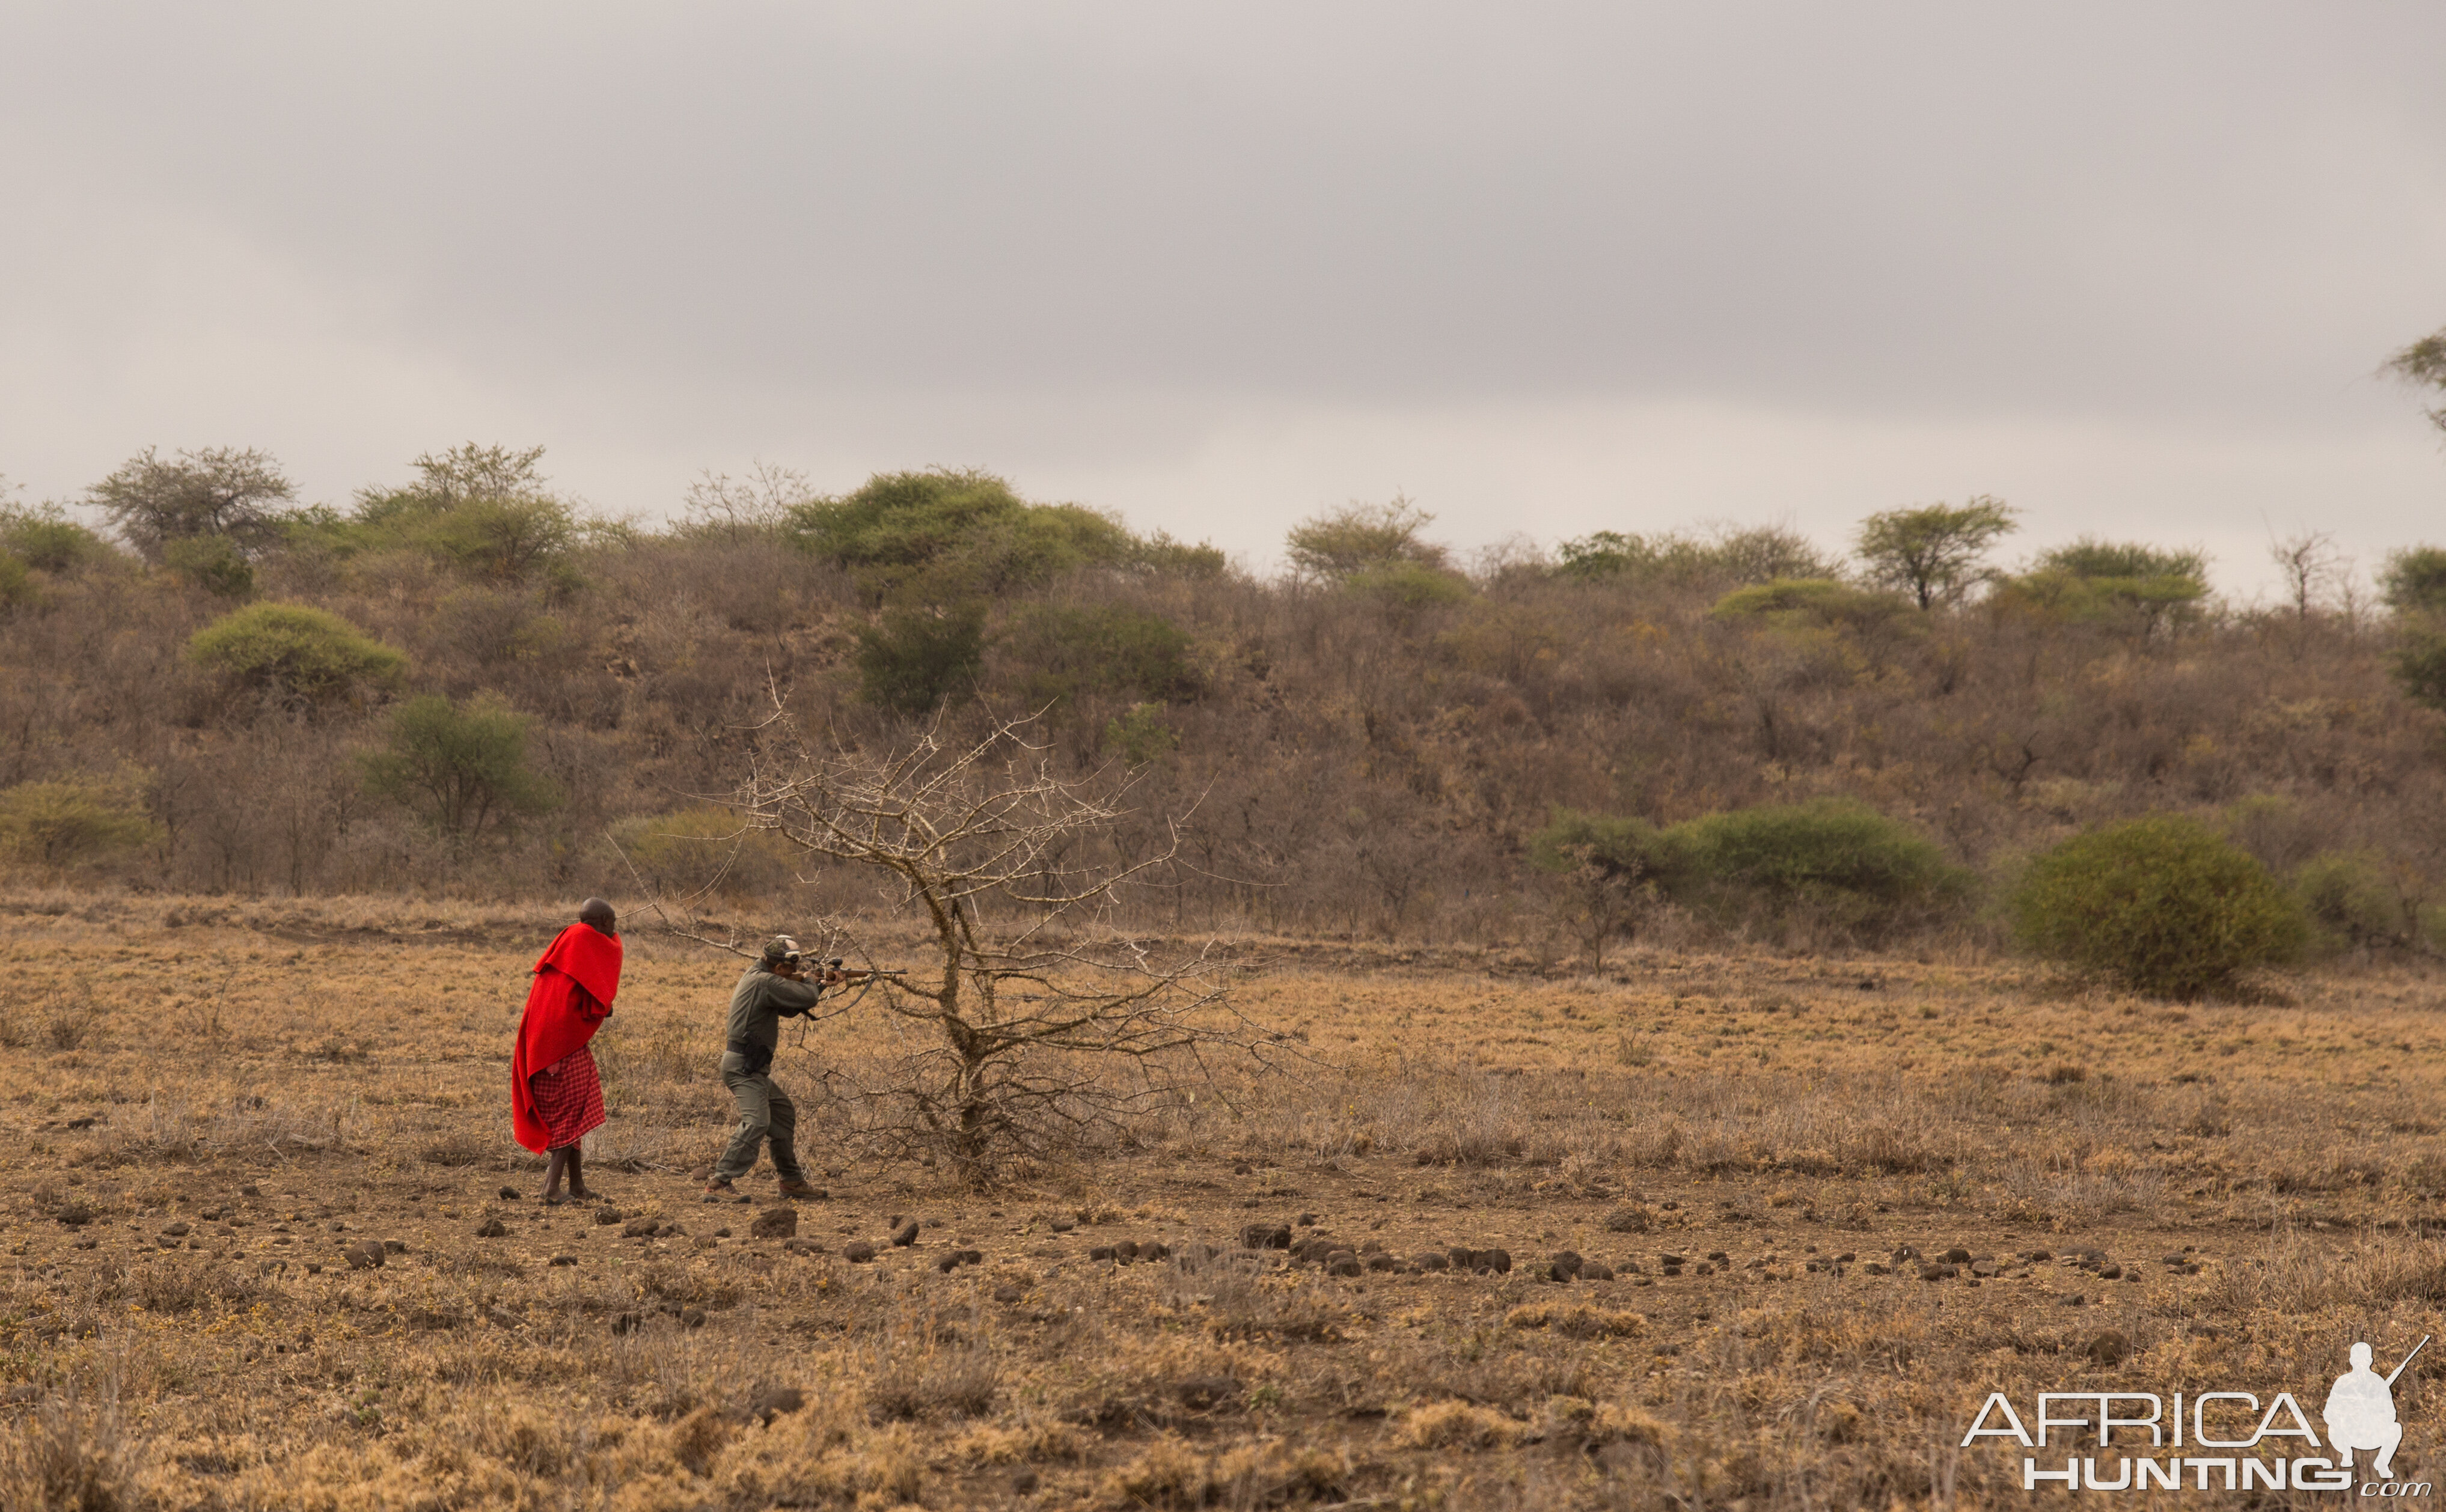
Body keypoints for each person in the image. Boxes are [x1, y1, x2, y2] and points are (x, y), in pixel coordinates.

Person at [705, 937, 841, 1199]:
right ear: (779, 969)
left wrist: (818, 984)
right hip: (744, 1066)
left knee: (782, 1114)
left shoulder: (759, 975)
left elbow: (791, 1007)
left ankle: (791, 1182)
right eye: (791, 969)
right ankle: (719, 1183)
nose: (794, 973)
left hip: (751, 1064)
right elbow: (807, 997)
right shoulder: (765, 981)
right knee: (757, 1122)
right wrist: (814, 981)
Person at [511, 898, 622, 1203]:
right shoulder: (585, 942)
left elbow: (580, 999)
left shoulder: (569, 939)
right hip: (558, 1048)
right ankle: (550, 1190)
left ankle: (577, 1186)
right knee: (569, 1113)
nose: (615, 931)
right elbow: (600, 1004)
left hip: (549, 1043)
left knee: (578, 1110)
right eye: (612, 923)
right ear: (601, 921)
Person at [2323, 1341, 2403, 1479]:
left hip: (2372, 1435)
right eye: (2357, 1359)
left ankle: (2382, 1463)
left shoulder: (2378, 1382)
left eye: (2364, 1359)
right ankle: (2346, 1454)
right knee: (2333, 1429)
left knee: (2396, 1429)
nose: (2361, 1362)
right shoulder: (2342, 1382)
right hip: (2348, 1435)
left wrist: (2374, 1413)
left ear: (2371, 1361)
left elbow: (2391, 1414)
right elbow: (2329, 1413)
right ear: (2351, 1360)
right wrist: (2348, 1416)